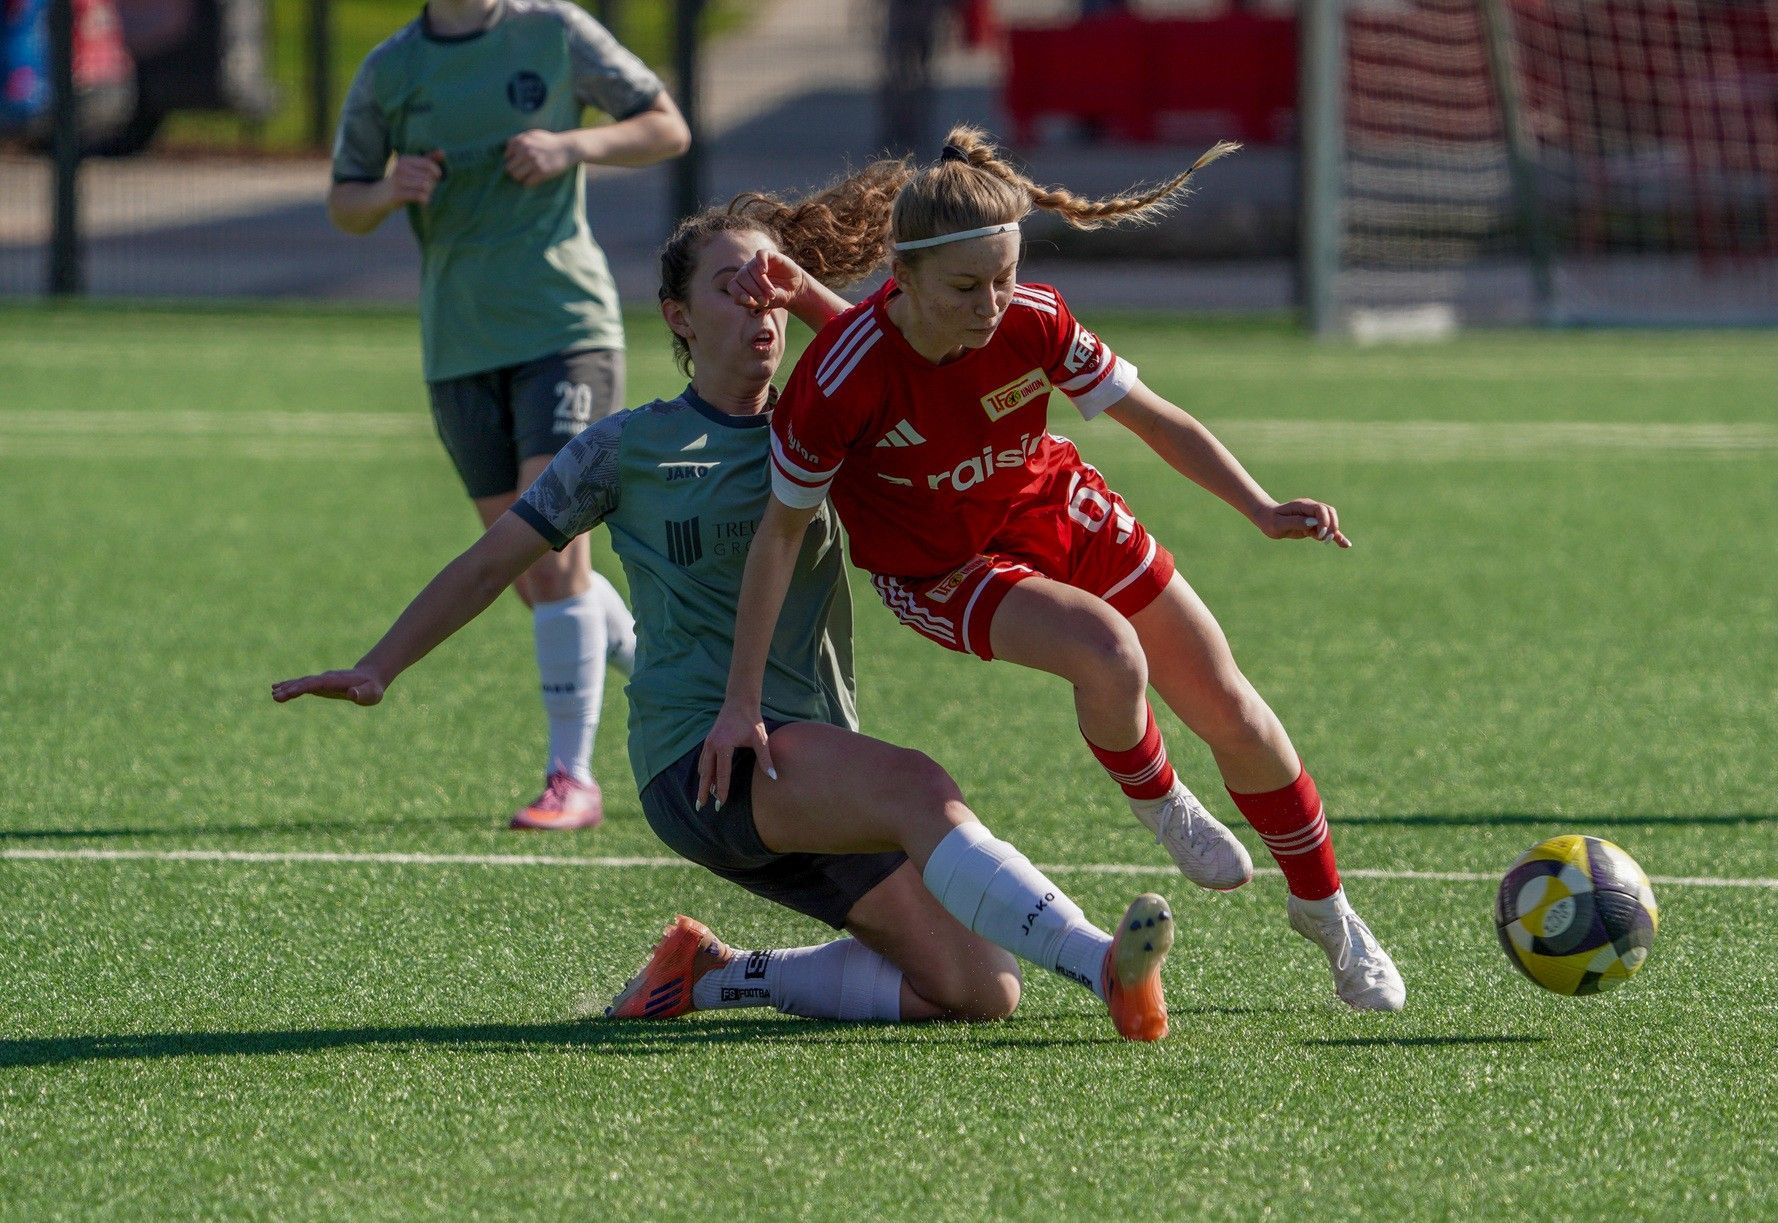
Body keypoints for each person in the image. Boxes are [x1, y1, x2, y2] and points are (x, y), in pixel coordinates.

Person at [274, 174, 1178, 1040]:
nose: (760, 309)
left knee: (979, 989)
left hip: (809, 762)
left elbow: (907, 369)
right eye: (730, 288)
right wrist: (379, 665)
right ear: (678, 315)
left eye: (769, 287)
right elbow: (489, 563)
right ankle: (1102, 963)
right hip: (701, 759)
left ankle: (714, 973)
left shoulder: (830, 421)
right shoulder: (626, 448)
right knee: (920, 788)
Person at [703, 126, 1405, 1012]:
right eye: (967, 286)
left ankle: (1330, 915)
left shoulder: (1034, 317)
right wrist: (740, 701)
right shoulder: (837, 380)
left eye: (1004, 276)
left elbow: (1156, 417)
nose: (991, 304)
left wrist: (1259, 506)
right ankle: (1162, 802)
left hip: (1052, 504)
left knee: (1232, 706)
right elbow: (777, 537)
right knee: (1106, 650)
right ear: (901, 276)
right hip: (939, 569)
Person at [326, 0, 690, 830]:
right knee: (533, 571)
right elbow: (344, 199)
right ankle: (671, 673)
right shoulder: (391, 70)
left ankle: (573, 778)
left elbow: (666, 125)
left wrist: (573, 145)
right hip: (459, 344)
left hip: (565, 326)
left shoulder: (553, 34)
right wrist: (388, 189)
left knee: (555, 556)